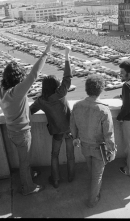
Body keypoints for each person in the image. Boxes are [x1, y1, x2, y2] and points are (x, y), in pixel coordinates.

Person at [0, 37, 55, 196]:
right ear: (18, 78)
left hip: (11, 130)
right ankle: (28, 187)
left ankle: (27, 175)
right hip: (22, 132)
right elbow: (34, 74)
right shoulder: (16, 92)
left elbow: (4, 106)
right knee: (24, 161)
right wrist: (46, 51)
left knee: (24, 160)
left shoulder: (0, 90)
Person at [30, 46, 75, 189]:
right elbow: (67, 77)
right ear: (56, 85)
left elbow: (29, 111)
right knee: (70, 155)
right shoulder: (60, 93)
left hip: (56, 131)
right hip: (69, 128)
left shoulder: (41, 100)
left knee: (54, 155)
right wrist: (67, 56)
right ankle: (71, 176)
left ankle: (55, 180)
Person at [70, 74, 116, 208]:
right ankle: (92, 200)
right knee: (97, 175)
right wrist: (112, 150)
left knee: (91, 170)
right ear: (101, 89)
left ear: (86, 89)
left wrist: (75, 138)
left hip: (84, 145)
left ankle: (93, 188)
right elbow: (109, 134)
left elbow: (72, 125)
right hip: (99, 148)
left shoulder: (77, 106)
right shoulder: (103, 109)